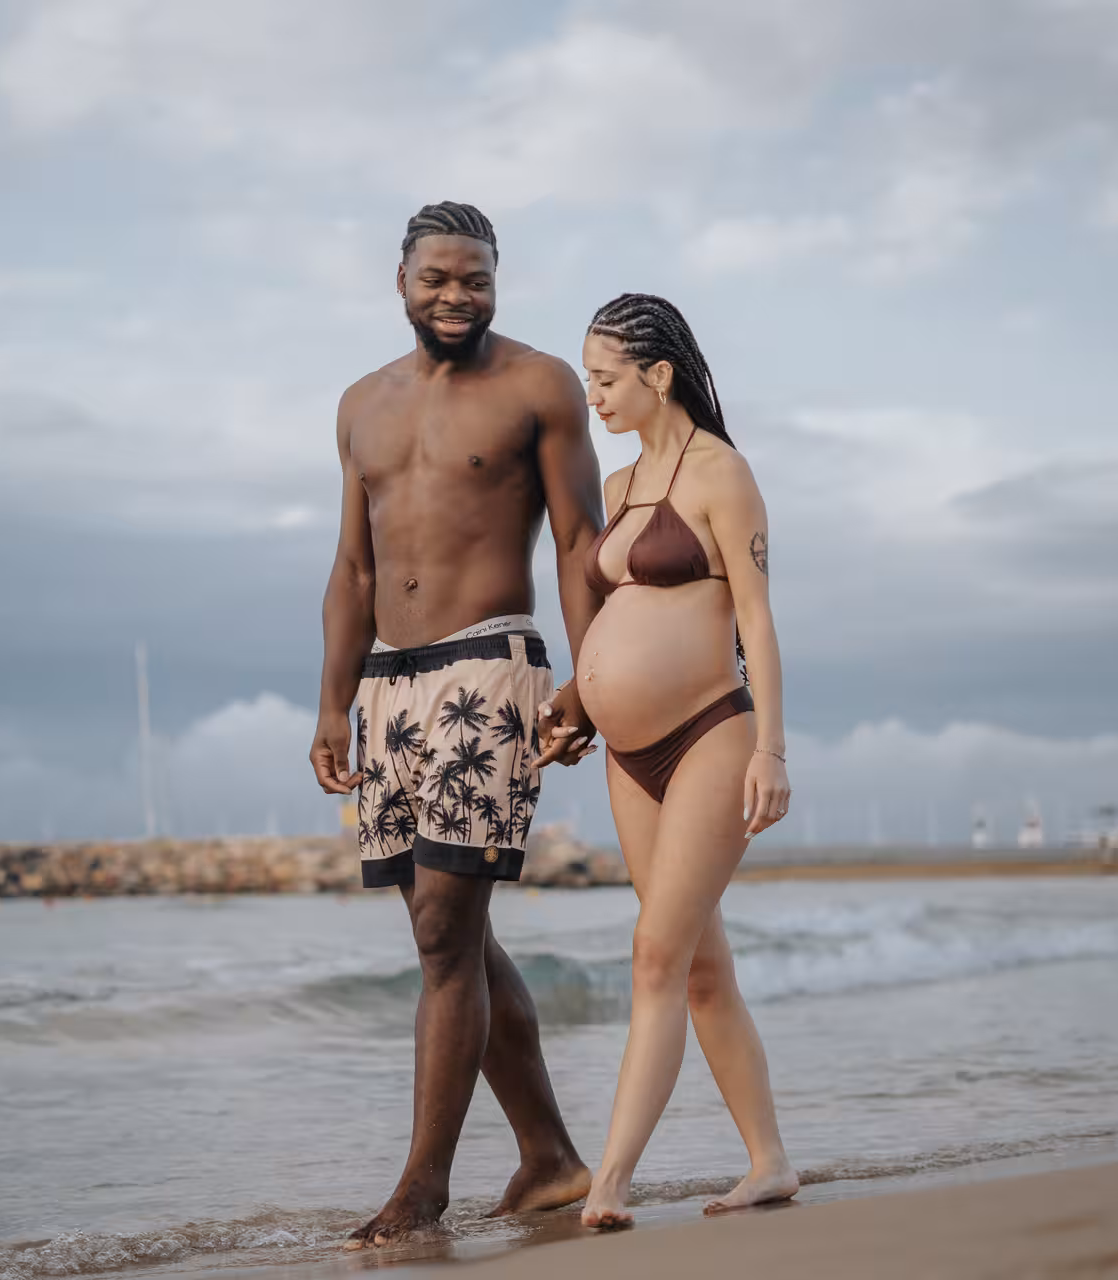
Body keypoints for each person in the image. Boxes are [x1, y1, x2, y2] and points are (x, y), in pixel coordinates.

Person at [309, 201, 606, 1248]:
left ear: (497, 281)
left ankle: (422, 1186)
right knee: (456, 933)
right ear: (401, 281)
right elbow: (353, 567)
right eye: (437, 277)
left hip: (489, 660)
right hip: (388, 680)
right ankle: (550, 1157)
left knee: (443, 929)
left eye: (475, 278)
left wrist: (592, 675)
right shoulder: (359, 405)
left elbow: (580, 542)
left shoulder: (538, 385)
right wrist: (332, 702)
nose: (456, 295)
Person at [569, 293, 799, 1228]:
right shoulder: (621, 490)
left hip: (710, 733)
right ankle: (770, 1161)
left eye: (607, 378)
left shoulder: (723, 474)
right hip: (629, 757)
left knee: (655, 955)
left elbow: (757, 621)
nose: (595, 396)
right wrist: (580, 705)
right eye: (587, 379)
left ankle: (609, 1183)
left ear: (657, 375)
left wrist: (773, 750)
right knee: (701, 971)